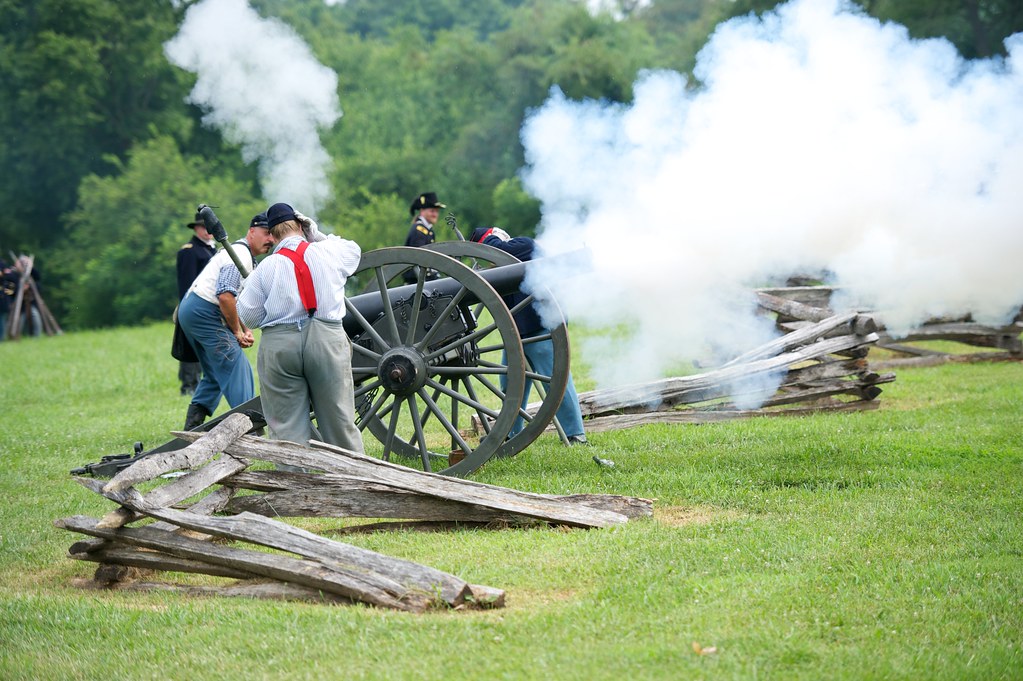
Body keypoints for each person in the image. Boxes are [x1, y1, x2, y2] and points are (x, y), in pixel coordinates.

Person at [237, 202, 364, 454]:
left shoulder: (265, 269)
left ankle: (292, 482)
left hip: (281, 345)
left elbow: (248, 315)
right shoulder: (329, 251)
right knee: (339, 420)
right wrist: (315, 235)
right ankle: (355, 477)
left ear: (271, 236)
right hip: (326, 339)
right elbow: (354, 251)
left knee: (286, 428)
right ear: (300, 225)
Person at [469, 226, 588, 445]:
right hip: (516, 333)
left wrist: (486, 244)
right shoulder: (495, 268)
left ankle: (575, 433)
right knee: (511, 384)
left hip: (542, 327)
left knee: (556, 380)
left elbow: (502, 250)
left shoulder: (522, 245)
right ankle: (509, 432)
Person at [178, 213, 276, 430]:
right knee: (236, 365)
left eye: (274, 235)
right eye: (267, 233)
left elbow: (235, 299)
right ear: (252, 231)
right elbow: (225, 295)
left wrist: (245, 327)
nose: (271, 239)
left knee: (215, 374)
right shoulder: (239, 253)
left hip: (194, 310)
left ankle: (192, 426)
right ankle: (250, 428)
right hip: (204, 311)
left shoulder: (245, 255)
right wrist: (237, 332)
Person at [175, 213, 217, 396]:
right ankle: (189, 386)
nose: (208, 231)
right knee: (191, 347)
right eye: (204, 227)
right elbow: (187, 283)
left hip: (210, 305)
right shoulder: (190, 251)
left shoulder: (212, 250)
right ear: (196, 229)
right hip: (194, 305)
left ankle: (202, 383)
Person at [402, 191, 445, 283]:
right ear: (422, 211)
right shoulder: (419, 231)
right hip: (416, 280)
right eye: (432, 211)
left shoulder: (427, 230)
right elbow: (418, 257)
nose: (435, 214)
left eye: (437, 211)